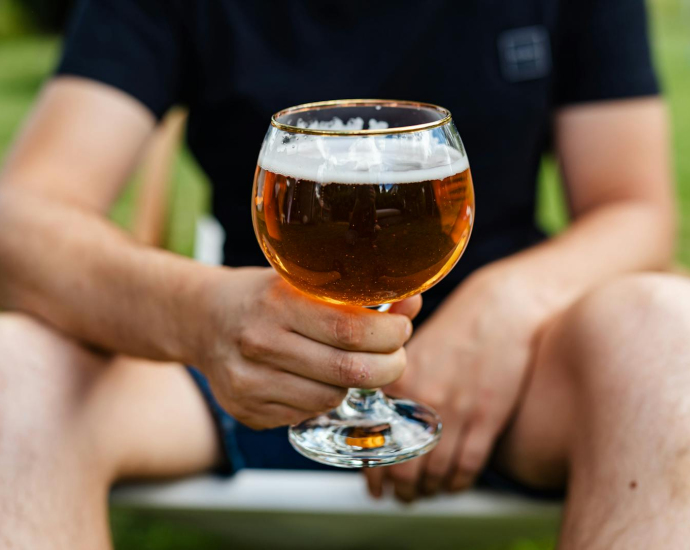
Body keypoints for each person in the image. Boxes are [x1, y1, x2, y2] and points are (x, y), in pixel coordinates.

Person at [0, 0, 688, 548]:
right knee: (13, 372)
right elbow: (20, 220)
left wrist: (511, 301)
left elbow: (635, 209)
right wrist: (196, 316)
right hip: (241, 362)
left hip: (515, 378)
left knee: (668, 336)